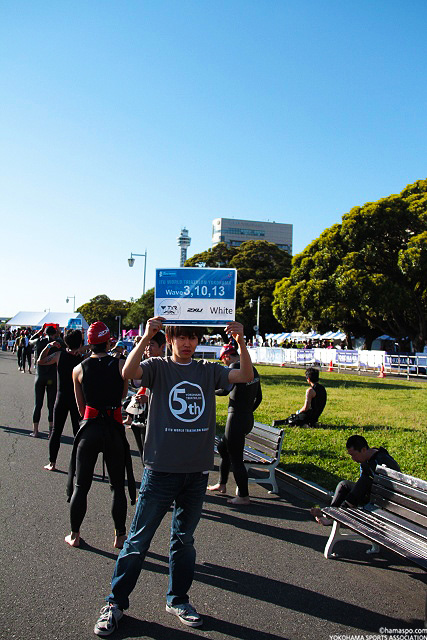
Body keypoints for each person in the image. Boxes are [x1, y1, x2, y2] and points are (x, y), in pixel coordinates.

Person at [93, 316, 253, 637]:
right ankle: (115, 603)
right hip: (160, 470)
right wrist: (146, 335)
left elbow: (245, 374)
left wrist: (241, 342)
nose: (187, 343)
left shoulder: (209, 370)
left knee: (184, 541)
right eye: (181, 337)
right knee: (138, 541)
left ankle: (178, 599)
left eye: (192, 338)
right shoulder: (158, 367)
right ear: (170, 339)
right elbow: (128, 373)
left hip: (195, 473)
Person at [65, 321, 135, 549]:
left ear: (89, 343)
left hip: (90, 428)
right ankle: (120, 536)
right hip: (113, 428)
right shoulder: (120, 364)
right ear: (108, 341)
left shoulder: (78, 369)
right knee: (117, 486)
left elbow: (80, 407)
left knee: (81, 486)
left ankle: (74, 535)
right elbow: (124, 395)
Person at [207, 342, 262, 505]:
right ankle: (222, 484)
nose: (224, 364)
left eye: (223, 361)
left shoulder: (234, 366)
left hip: (236, 417)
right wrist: (247, 411)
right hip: (246, 418)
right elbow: (259, 397)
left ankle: (244, 496)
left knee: (236, 457)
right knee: (223, 448)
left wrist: (209, 390)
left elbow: (224, 390)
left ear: (226, 357)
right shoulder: (252, 368)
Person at [310, 434, 401, 525]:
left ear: (363, 450)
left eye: (354, 455)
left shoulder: (382, 460)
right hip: (372, 494)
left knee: (365, 481)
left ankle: (334, 517)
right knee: (344, 485)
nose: (353, 459)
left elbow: (393, 486)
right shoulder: (366, 461)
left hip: (384, 499)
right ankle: (330, 513)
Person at [37, 329, 89, 471]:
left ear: (64, 340)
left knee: (56, 431)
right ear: (80, 341)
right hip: (77, 399)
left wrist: (49, 346)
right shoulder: (84, 357)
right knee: (78, 432)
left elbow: (40, 361)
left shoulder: (59, 355)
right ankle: (80, 465)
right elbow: (101, 349)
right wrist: (85, 347)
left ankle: (52, 463)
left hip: (61, 398)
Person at [124, 331, 166, 460]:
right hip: (142, 417)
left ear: (162, 346)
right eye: (146, 345)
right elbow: (130, 375)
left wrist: (148, 399)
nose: (147, 348)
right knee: (145, 457)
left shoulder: (167, 365)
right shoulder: (146, 363)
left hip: (160, 421)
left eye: (151, 344)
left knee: (155, 458)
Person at [30, 324, 64, 437]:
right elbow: (66, 344)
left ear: (45, 333)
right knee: (51, 404)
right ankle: (50, 431)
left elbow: (30, 341)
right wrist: (59, 333)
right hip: (52, 376)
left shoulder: (39, 341)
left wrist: (39, 332)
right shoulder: (58, 343)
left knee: (38, 404)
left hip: (40, 375)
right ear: (55, 333)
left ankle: (35, 431)